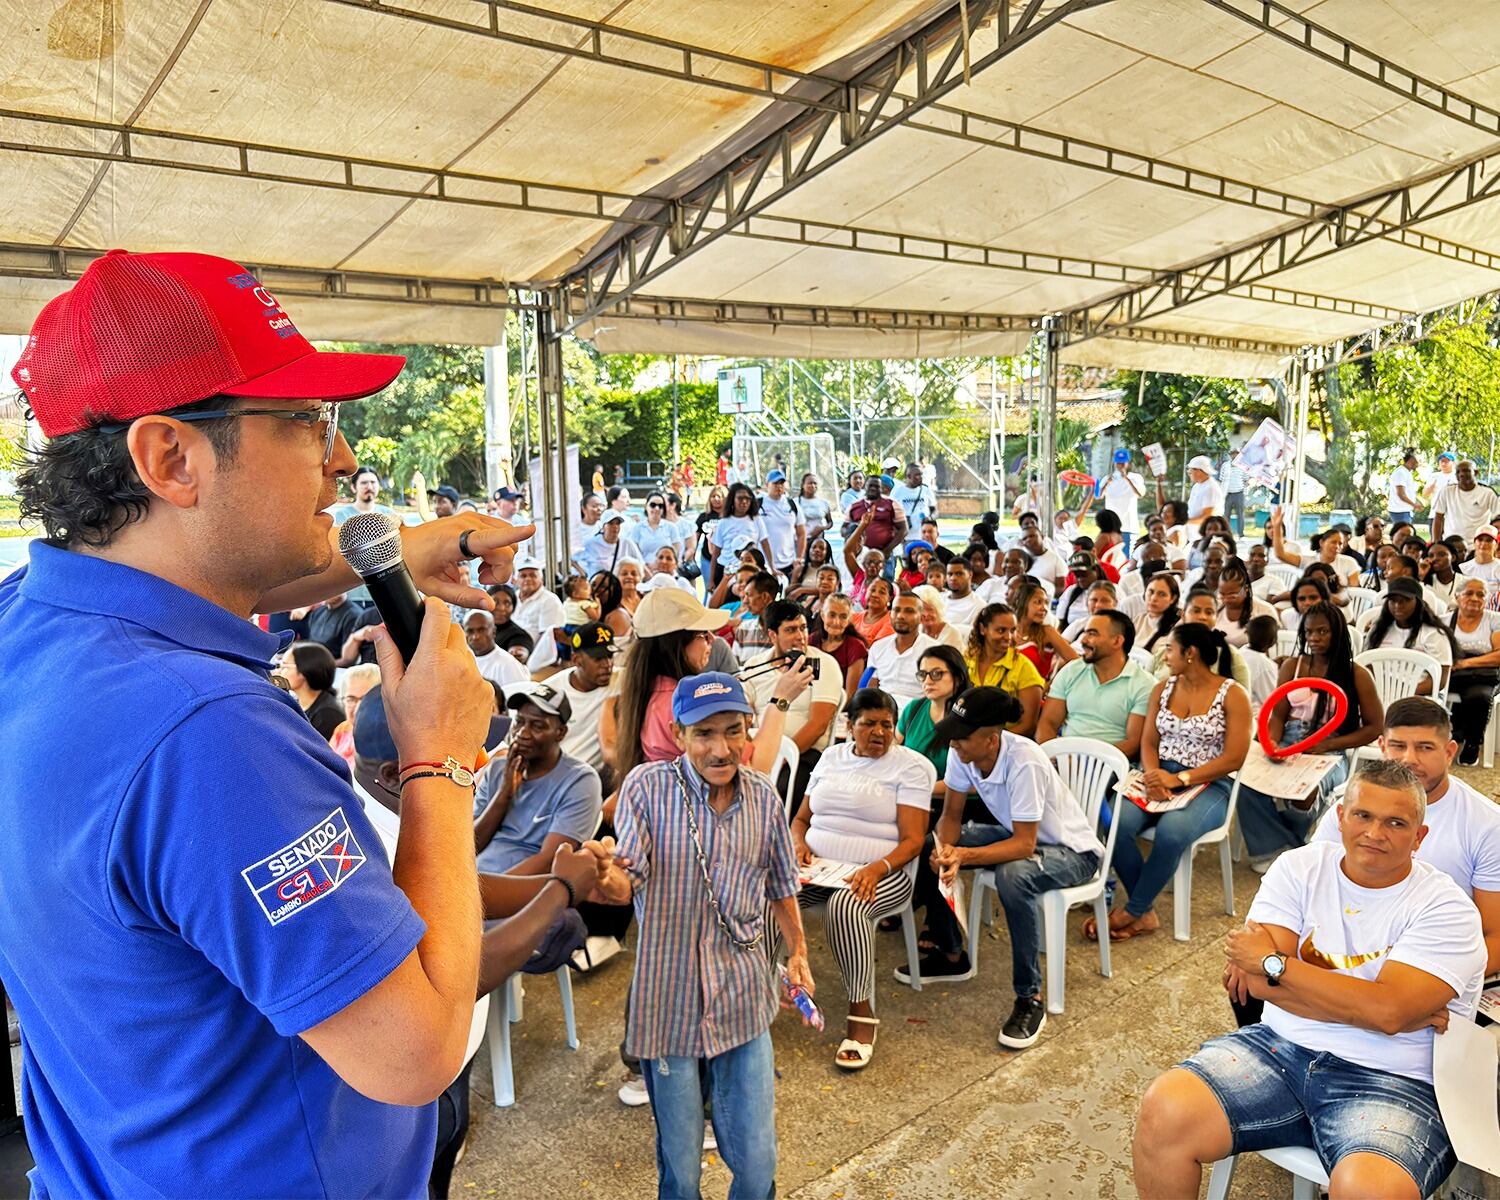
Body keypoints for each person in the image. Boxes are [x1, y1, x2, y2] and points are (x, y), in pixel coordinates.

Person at [0, 247, 543, 1196]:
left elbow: (230, 559)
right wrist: (442, 762)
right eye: (305, 421)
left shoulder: (32, 620)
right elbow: (414, 1053)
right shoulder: (207, 736)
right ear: (170, 456)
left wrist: (408, 551)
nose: (341, 457)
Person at [1134, 760, 1485, 1200]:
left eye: (1396, 823)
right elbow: (1258, 986)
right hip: (1279, 1047)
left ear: (1419, 837)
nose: (1375, 833)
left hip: (1394, 1080)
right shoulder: (1298, 868)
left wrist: (1279, 965)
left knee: (1369, 1189)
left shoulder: (1447, 909)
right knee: (1164, 1110)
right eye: (1363, 816)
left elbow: (1384, 1011)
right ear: (1340, 818)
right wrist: (1376, 1007)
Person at [593, 673, 816, 1200]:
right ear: (677, 733)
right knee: (682, 1167)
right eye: (703, 734)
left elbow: (782, 883)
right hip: (667, 1001)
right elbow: (630, 877)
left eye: (732, 731)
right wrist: (606, 878)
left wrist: (799, 950)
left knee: (758, 1161)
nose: (720, 748)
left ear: (748, 731)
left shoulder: (762, 798)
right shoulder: (647, 788)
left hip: (742, 996)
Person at [913, 688, 1105, 1049]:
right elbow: (952, 815)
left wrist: (963, 857)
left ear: (991, 739)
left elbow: (1024, 846)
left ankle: (1029, 998)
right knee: (931, 845)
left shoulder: (1024, 761)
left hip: (1072, 852)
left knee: (1013, 875)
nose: (955, 745)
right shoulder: (963, 751)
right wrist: (945, 849)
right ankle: (951, 954)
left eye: (963, 737)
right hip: (1017, 833)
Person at [786, 688, 933, 1069]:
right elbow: (800, 820)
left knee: (845, 907)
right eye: (869, 724)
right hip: (820, 869)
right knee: (769, 898)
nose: (879, 732)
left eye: (887, 724)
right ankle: (759, 995)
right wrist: (799, 844)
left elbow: (914, 840)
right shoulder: (831, 758)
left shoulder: (910, 767)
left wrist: (875, 868)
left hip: (884, 873)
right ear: (849, 726)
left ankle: (861, 1014)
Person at [1312, 698, 1500, 972]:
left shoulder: (1487, 825)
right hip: (1345, 956)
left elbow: (1494, 937)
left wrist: (1438, 989)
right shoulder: (1352, 806)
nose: (1409, 759)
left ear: (1449, 753)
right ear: (1381, 747)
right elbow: (1313, 884)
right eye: (1398, 746)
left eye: (1425, 747)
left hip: (1435, 964)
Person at [1095, 623, 1250, 941]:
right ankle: (1145, 911)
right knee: (1115, 823)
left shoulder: (1233, 694)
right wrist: (1153, 776)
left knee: (1171, 832)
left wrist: (1179, 778)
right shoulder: (1162, 688)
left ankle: (1133, 910)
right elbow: (1148, 743)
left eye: (1169, 649)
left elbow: (1234, 757)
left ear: (1189, 653)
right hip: (1159, 773)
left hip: (1211, 782)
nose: (1164, 656)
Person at [1237, 603, 1382, 869]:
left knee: (1303, 792)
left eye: (1322, 631)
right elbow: (1278, 715)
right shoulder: (1292, 666)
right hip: (1289, 740)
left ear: (1337, 632)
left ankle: (1296, 844)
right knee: (1247, 782)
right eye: (1309, 632)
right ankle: (1278, 848)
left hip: (1331, 748)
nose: (1314, 638)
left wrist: (1328, 743)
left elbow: (1374, 727)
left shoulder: (1357, 674)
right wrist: (1272, 744)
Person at [472, 683, 603, 878]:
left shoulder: (580, 780)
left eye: (537, 725)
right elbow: (471, 846)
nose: (522, 733)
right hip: (474, 880)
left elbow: (550, 860)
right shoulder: (498, 769)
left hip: (525, 890)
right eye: (520, 722)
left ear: (561, 733)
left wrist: (487, 895)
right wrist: (504, 795)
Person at [743, 600, 842, 795]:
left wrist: (782, 758)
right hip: (762, 748)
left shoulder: (822, 663)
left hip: (805, 754)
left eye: (803, 628)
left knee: (776, 790)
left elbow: (817, 726)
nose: (800, 637)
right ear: (773, 635)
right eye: (790, 630)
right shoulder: (755, 665)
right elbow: (742, 716)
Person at [1036, 611, 1153, 759]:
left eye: (1092, 634)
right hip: (1063, 759)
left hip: (1109, 766)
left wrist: (1086, 761)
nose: (1083, 640)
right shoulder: (1071, 671)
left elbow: (1133, 743)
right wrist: (1054, 756)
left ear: (1117, 641)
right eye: (1085, 633)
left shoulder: (1144, 685)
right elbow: (1047, 724)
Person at [897, 645, 972, 807]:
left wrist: (913, 788)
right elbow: (891, 750)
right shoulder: (914, 709)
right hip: (912, 798)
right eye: (923, 675)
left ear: (958, 677)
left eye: (937, 674)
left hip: (959, 807)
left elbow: (975, 782)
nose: (928, 681)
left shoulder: (971, 715)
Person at [1363, 575, 1457, 692]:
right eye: (1393, 600)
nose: (1398, 605)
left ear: (1418, 602)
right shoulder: (1378, 630)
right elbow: (1366, 665)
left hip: (1418, 694)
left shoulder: (1434, 634)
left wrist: (1404, 692)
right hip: (1380, 691)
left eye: (1405, 600)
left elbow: (1440, 679)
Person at [965, 602, 1046, 736]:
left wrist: (988, 741)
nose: (1009, 637)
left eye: (1013, 630)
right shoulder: (967, 658)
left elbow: (1028, 725)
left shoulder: (1024, 668)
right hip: (966, 733)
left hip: (1005, 741)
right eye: (1001, 630)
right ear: (982, 629)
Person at [553, 622, 616, 786]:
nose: (607, 665)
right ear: (576, 660)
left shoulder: (623, 681)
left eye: (610, 656)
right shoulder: (552, 693)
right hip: (557, 780)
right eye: (598, 659)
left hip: (597, 781)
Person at [1157, 587, 1253, 691]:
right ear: (1183, 615)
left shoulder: (1232, 656)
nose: (1202, 617)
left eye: (1209, 612)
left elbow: (1243, 699)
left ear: (1216, 618)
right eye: (1196, 611)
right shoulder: (1163, 653)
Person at [1447, 577, 1500, 763]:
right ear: (1457, 596)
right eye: (1469, 593)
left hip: (1483, 674)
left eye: (1481, 595)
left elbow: (1497, 656)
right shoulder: (1445, 621)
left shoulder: (1494, 620)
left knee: (1478, 696)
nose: (1475, 598)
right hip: (1453, 671)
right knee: (1430, 688)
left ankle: (1472, 742)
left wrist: (1466, 663)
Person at [865, 591, 937, 708]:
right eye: (896, 610)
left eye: (909, 611)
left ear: (921, 617)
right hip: (882, 710)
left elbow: (937, 696)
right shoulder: (878, 647)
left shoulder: (934, 650)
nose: (900, 616)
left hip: (917, 713)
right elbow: (871, 686)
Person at [709, 482, 772, 588]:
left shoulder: (756, 520)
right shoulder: (723, 522)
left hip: (749, 571)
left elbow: (765, 543)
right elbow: (715, 553)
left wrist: (772, 567)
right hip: (726, 571)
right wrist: (711, 580)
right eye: (740, 498)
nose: (744, 502)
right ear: (732, 500)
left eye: (748, 499)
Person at [279, 640, 345, 740]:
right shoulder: (295, 702)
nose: (279, 672)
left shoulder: (327, 714)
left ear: (304, 671)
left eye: (285, 667)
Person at [1014, 578, 1078, 680]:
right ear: (1020, 602)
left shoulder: (1047, 632)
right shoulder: (1009, 631)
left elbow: (1076, 662)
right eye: (1038, 602)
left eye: (1046, 603)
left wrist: (1052, 685)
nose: (1044, 608)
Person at [811, 593, 869, 702]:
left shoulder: (855, 647)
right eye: (832, 615)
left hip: (839, 706)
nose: (836, 622)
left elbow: (850, 696)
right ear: (823, 615)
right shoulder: (812, 641)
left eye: (843, 617)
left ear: (849, 619)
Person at [1432, 457, 1499, 542]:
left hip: (1478, 545)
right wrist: (1436, 541)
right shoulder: (1447, 491)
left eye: (1466, 471)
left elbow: (1498, 517)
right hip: (1451, 544)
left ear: (1476, 472)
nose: (1461, 474)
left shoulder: (1487, 493)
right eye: (1458, 472)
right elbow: (1438, 518)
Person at [1214, 556, 1276, 647]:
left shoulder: (1264, 611)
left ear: (1246, 589)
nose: (1226, 599)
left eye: (1232, 595)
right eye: (1222, 594)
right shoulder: (1214, 607)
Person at [843, 475, 907, 562]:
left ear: (882, 488)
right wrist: (851, 539)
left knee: (885, 576)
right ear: (865, 486)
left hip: (884, 555)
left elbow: (903, 529)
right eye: (870, 485)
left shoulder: (892, 504)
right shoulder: (854, 506)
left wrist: (887, 550)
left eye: (877, 486)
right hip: (859, 556)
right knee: (858, 576)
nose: (873, 488)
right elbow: (844, 528)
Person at [329, 662, 380, 764]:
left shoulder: (390, 739)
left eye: (366, 699)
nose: (358, 708)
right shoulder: (343, 729)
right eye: (351, 699)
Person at [759, 469, 807, 577]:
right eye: (775, 483)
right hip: (763, 564)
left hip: (788, 563)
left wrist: (799, 558)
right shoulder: (758, 505)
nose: (779, 486)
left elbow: (802, 533)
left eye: (781, 483)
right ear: (767, 484)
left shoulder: (792, 505)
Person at [464, 609, 529, 689]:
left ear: (494, 632)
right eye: (470, 631)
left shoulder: (507, 664)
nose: (475, 636)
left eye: (481, 630)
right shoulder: (461, 659)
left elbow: (519, 698)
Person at [1100, 449, 1145, 552]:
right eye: (1118, 462)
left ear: (1128, 463)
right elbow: (1099, 496)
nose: (1120, 465)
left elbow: (1140, 494)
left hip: (1128, 526)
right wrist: (1107, 483)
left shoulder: (1135, 478)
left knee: (1126, 557)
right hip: (1111, 527)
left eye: (1122, 462)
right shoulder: (1108, 478)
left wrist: (1127, 479)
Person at [512, 555, 566, 639]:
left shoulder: (550, 600)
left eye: (533, 575)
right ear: (515, 580)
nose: (528, 579)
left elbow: (548, 638)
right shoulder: (511, 598)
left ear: (541, 579)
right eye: (523, 576)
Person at [302, 590, 363, 656]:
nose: (327, 591)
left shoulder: (353, 615)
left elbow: (347, 659)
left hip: (332, 664)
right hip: (310, 659)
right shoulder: (317, 612)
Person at [1240, 614, 1282, 710]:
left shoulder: (1242, 651)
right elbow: (1272, 700)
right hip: (1254, 714)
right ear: (1273, 641)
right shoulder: (1264, 666)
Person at [1136, 573, 1181, 657]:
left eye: (1162, 594)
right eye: (1151, 592)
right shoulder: (1139, 619)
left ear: (1173, 598)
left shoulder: (1178, 625)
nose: (1153, 598)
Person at [331, 464, 396, 522]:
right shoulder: (343, 515)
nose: (369, 487)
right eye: (364, 483)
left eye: (373, 482)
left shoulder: (388, 515)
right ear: (353, 487)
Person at [912, 584, 968, 651]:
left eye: (930, 609)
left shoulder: (951, 634)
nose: (925, 614)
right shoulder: (916, 630)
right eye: (921, 610)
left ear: (938, 609)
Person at [487, 584, 536, 658]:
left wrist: (519, 653)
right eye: (495, 602)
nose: (501, 608)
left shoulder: (519, 635)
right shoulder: (473, 627)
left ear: (513, 607)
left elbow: (519, 651)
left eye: (507, 603)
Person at [632, 491, 682, 564]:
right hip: (644, 569)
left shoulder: (671, 528)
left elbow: (676, 553)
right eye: (653, 505)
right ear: (646, 506)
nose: (657, 508)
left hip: (666, 569)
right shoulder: (637, 528)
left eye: (660, 506)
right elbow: (634, 554)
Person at [889, 462, 938, 528]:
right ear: (909, 476)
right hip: (905, 535)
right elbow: (890, 512)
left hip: (923, 535)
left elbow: (935, 510)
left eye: (921, 474)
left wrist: (930, 518)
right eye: (917, 475)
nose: (921, 477)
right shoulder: (898, 492)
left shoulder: (926, 490)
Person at [1184, 454, 1224, 533]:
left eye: (1190, 471)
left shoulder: (1210, 488)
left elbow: (1206, 517)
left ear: (1198, 471)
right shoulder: (1197, 485)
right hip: (1194, 533)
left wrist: (1184, 521)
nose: (1189, 474)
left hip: (1205, 534)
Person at [943, 556, 985, 630]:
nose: (953, 578)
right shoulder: (939, 598)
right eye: (950, 574)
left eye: (959, 574)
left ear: (970, 575)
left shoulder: (979, 605)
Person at [852, 576, 895, 645]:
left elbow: (876, 650)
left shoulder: (891, 621)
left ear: (889, 598)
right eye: (872, 590)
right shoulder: (854, 617)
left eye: (882, 592)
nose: (875, 595)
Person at [1388, 446, 1420, 526]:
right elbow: (1401, 494)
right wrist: (1414, 505)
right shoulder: (1400, 473)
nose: (1418, 463)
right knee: (1404, 536)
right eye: (1417, 461)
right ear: (1412, 460)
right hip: (1400, 511)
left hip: (1405, 511)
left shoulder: (1406, 472)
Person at [798, 472, 833, 542]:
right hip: (800, 541)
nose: (813, 485)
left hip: (817, 541)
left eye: (815, 483)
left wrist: (822, 528)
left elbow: (830, 522)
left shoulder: (823, 503)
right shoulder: (795, 502)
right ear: (803, 485)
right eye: (810, 483)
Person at [1218, 456, 1246, 536]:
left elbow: (1245, 479)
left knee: (1240, 514)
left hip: (1239, 493)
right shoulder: (1225, 466)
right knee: (1226, 515)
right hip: (1227, 494)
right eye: (1233, 454)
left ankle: (1241, 534)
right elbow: (1221, 479)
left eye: (1236, 454)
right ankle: (1226, 533)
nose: (1234, 456)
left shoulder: (1242, 466)